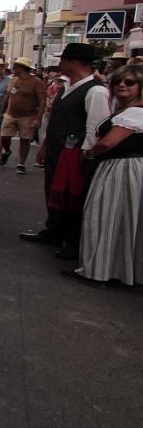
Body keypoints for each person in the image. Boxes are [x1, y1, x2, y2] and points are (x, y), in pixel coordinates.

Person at [20, 43, 109, 260]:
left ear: (73, 62)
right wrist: (46, 146)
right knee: (54, 192)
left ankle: (73, 241)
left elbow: (95, 128)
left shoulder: (95, 91)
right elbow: (57, 121)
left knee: (72, 197)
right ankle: (54, 232)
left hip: (75, 154)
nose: (59, 64)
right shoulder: (68, 86)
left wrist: (86, 157)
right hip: (58, 150)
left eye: (63, 60)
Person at [64, 64, 143, 285]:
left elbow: (109, 142)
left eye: (129, 82)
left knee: (105, 215)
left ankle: (98, 269)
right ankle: (115, 269)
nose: (122, 86)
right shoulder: (127, 111)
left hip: (121, 168)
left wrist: (89, 154)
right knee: (122, 219)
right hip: (122, 167)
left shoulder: (135, 113)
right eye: (118, 81)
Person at [0, 56, 46, 173]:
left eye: (15, 67)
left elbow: (42, 101)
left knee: (24, 140)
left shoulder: (36, 82)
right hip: (10, 114)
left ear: (21, 68)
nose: (13, 69)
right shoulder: (14, 80)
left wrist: (38, 118)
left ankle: (21, 163)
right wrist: (1, 112)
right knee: (4, 137)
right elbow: (7, 97)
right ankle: (7, 151)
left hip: (27, 116)